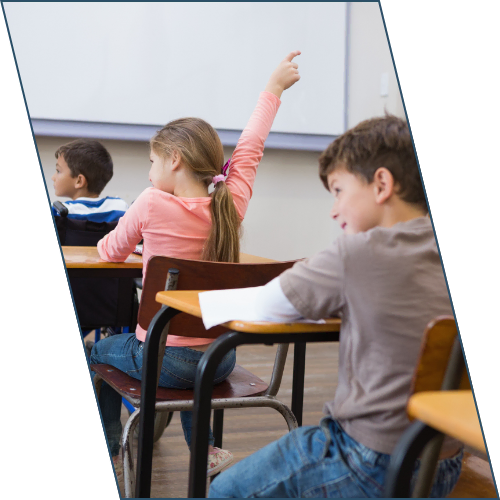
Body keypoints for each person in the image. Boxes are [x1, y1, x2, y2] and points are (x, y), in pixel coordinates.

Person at [208, 115, 463, 497]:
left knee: (225, 490)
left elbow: (269, 303)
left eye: (339, 190)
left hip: (368, 459)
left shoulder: (359, 252)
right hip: (444, 461)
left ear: (382, 184)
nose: (333, 209)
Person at [90, 51, 302, 478]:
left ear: (174, 159)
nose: (149, 173)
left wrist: (122, 238)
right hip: (219, 358)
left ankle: (110, 443)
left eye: (152, 161)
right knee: (191, 352)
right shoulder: (231, 203)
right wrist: (274, 88)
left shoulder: (150, 202)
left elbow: (109, 251)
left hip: (163, 359)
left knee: (97, 350)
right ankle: (202, 450)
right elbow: (251, 146)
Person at [51, 139, 128, 222]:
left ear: (79, 181)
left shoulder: (58, 212)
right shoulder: (120, 208)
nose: (53, 177)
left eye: (58, 171)